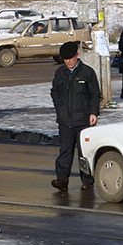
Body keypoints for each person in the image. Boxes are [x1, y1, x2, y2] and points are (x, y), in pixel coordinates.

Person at [50, 40, 100, 192]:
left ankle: (87, 181)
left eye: (70, 59)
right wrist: (59, 108)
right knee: (65, 151)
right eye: (65, 60)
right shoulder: (60, 73)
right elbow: (55, 92)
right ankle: (62, 180)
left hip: (83, 120)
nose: (68, 62)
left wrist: (93, 112)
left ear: (77, 56)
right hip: (65, 120)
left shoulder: (87, 72)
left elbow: (94, 94)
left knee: (84, 153)